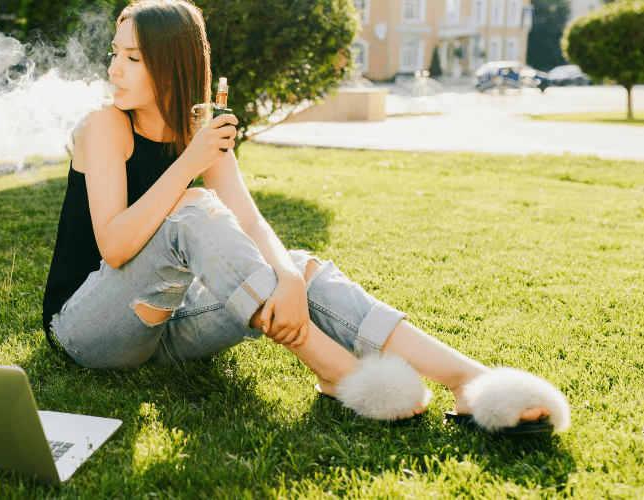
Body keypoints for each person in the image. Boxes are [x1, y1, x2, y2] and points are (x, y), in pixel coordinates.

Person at [42, 0, 570, 434]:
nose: (113, 68)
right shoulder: (105, 125)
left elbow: (248, 221)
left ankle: (472, 381)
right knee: (190, 210)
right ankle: (338, 372)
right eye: (116, 54)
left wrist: (291, 278)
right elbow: (114, 246)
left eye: (132, 58)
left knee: (299, 266)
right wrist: (189, 164)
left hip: (166, 333)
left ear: (171, 62)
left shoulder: (202, 128)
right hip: (88, 328)